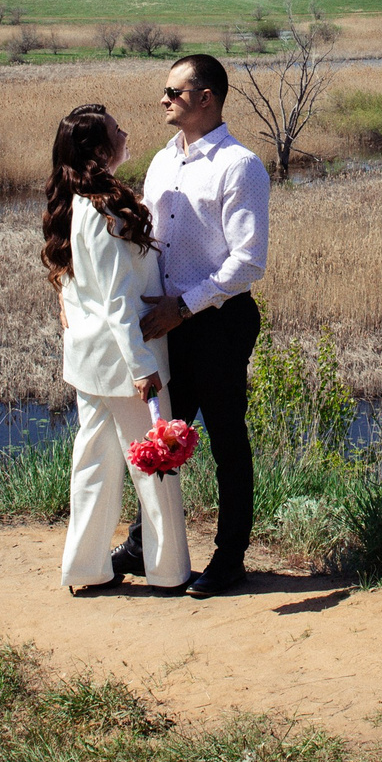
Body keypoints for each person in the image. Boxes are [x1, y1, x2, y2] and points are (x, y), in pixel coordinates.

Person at [114, 52, 269, 598]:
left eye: (174, 92)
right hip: (165, 324)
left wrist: (183, 307)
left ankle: (229, 559)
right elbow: (148, 240)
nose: (164, 100)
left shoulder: (240, 165)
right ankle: (142, 545)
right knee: (159, 436)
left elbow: (247, 262)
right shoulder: (161, 162)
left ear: (206, 99)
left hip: (218, 323)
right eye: (165, 90)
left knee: (227, 440)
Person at [45, 102, 190, 595]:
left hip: (88, 362)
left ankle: (84, 567)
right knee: (156, 467)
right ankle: (169, 570)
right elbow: (116, 301)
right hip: (124, 364)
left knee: (94, 465)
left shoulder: (74, 203)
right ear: (99, 148)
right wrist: (143, 368)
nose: (126, 132)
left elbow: (71, 282)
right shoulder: (103, 210)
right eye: (116, 129)